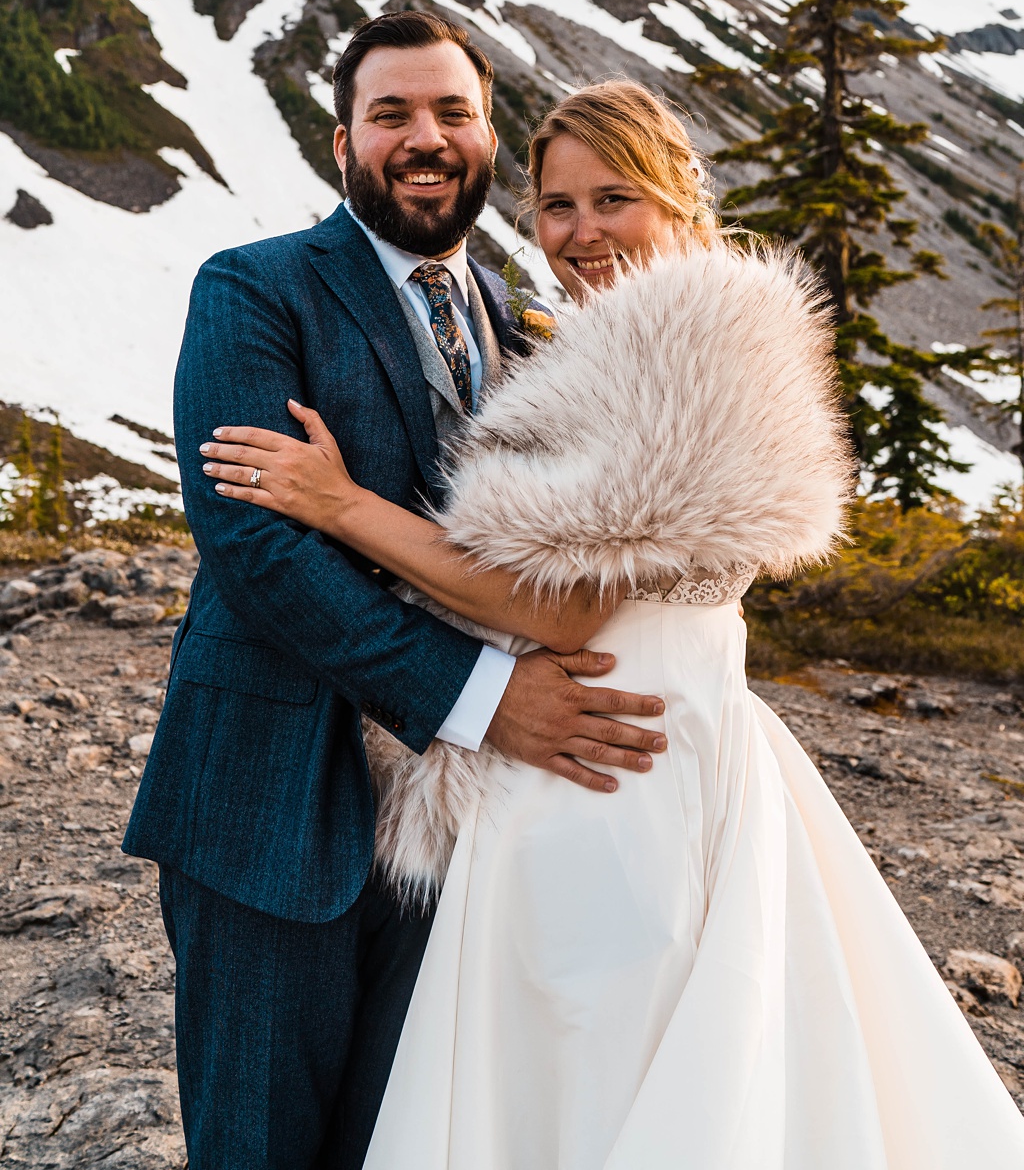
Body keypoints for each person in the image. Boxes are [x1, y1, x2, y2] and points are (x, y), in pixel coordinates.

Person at [206, 77, 1024, 1168]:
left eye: (613, 198)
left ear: (677, 193)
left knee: (586, 1055)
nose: (582, 232)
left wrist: (339, 500)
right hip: (655, 737)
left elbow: (569, 598)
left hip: (604, 766)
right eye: (556, 205)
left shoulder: (673, 336)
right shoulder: (641, 331)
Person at [122, 17, 667, 1170]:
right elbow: (256, 549)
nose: (425, 139)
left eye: (451, 113)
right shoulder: (254, 289)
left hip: (467, 838)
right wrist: (481, 696)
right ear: (342, 142)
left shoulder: (529, 320)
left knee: (411, 1141)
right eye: (392, 115)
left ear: (484, 135)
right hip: (272, 806)